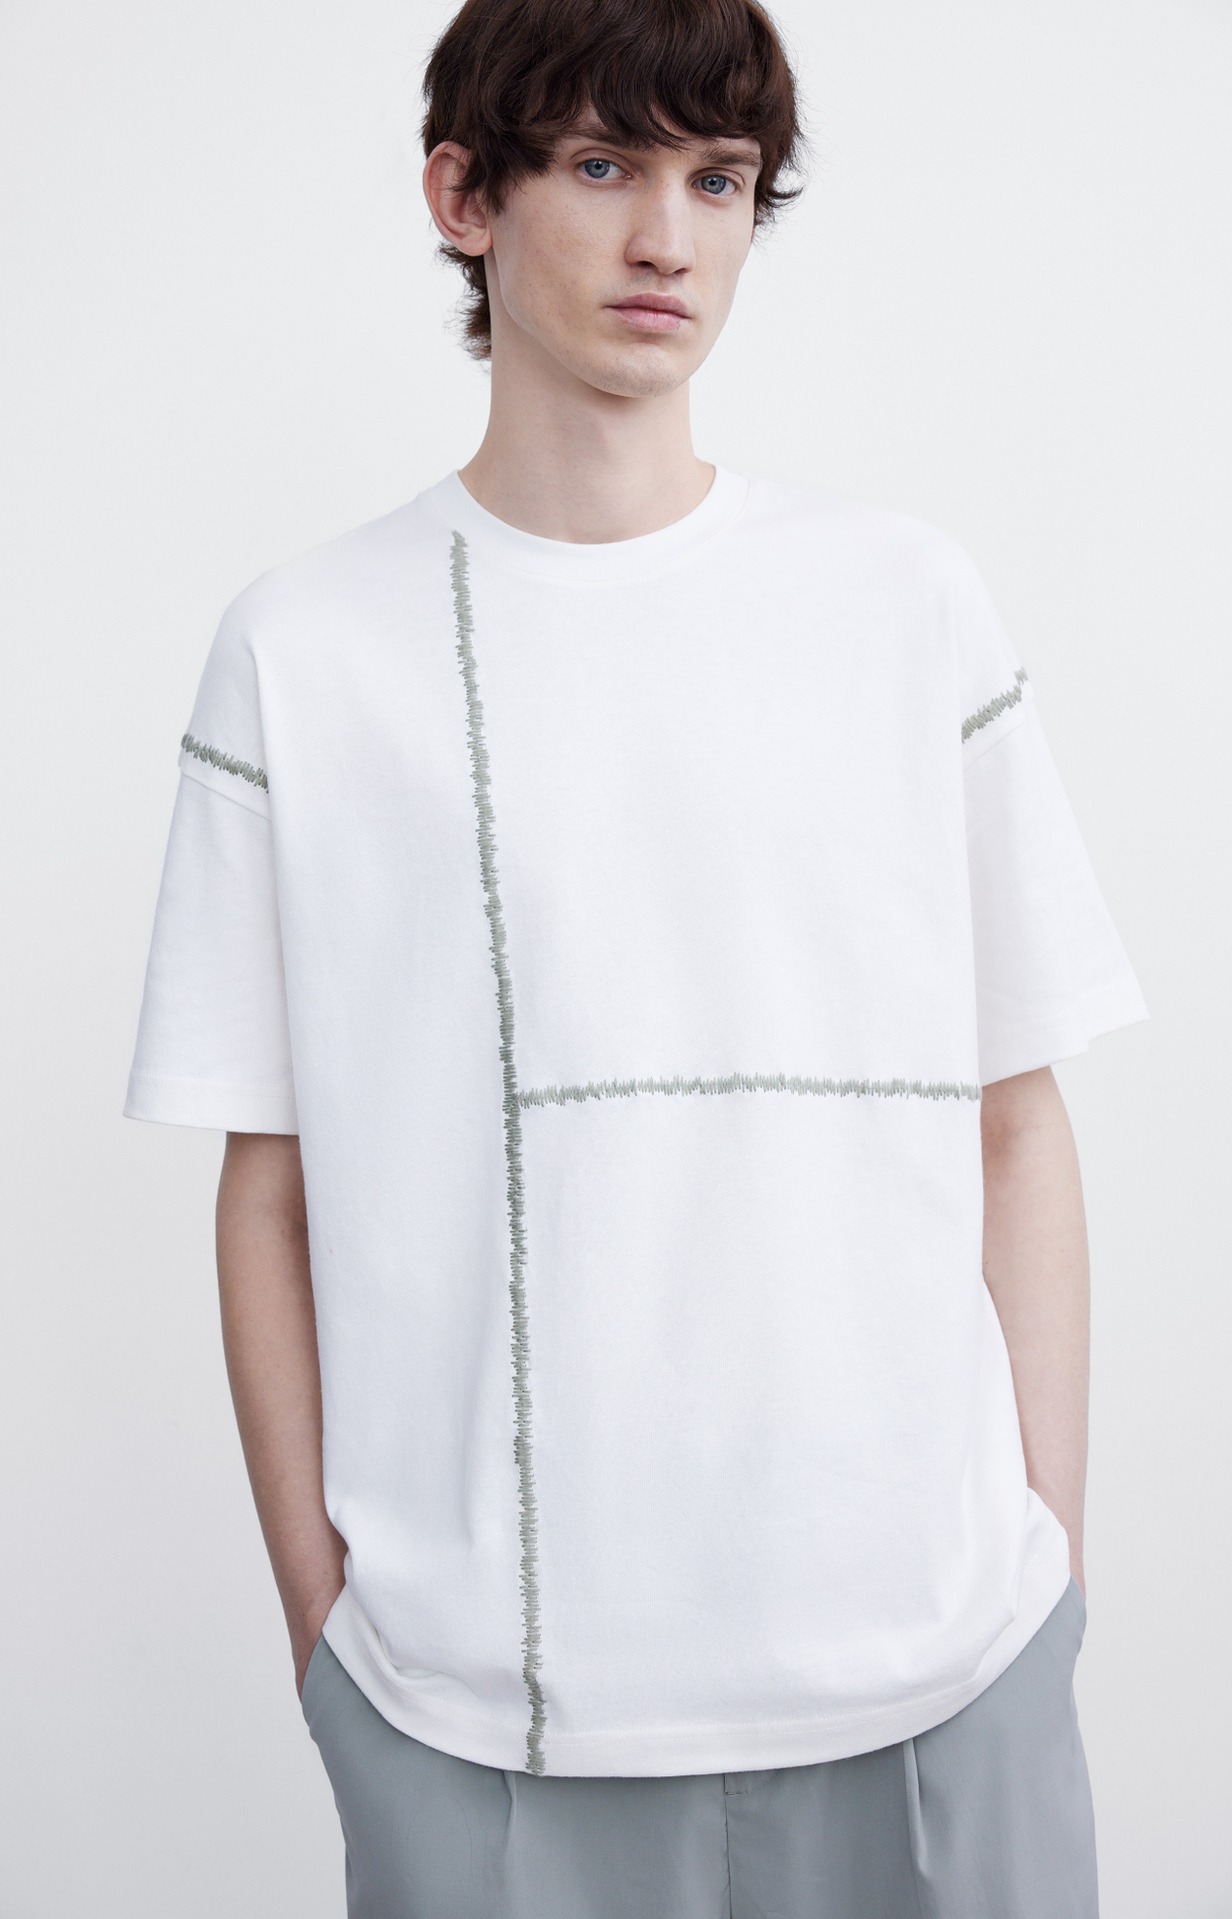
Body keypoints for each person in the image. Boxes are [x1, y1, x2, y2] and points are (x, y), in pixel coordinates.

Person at [123, 0, 1148, 1912]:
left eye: (719, 180)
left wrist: (1050, 1575)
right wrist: (328, 1639)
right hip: (488, 1723)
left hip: (946, 1688)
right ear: (464, 196)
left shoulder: (907, 604)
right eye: (602, 166)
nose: (667, 237)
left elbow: (1018, 1118)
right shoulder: (305, 650)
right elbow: (270, 1187)